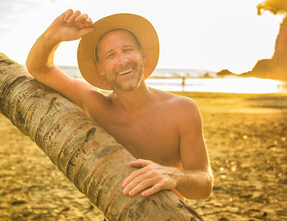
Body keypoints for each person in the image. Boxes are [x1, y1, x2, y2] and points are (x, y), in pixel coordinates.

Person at [26, 10, 213, 203]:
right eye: (110, 55)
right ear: (101, 69)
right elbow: (39, 67)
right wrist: (53, 35)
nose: (122, 61)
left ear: (143, 56)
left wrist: (174, 175)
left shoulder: (181, 110)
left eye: (127, 50)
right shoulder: (97, 106)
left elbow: (204, 186)